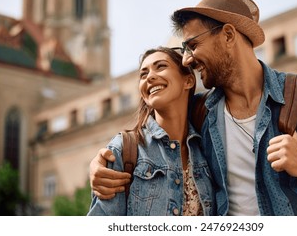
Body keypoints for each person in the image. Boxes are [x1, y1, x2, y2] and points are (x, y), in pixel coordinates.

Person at [89, 0, 297, 215]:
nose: (188, 59)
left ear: (228, 35)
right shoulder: (201, 112)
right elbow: (156, 135)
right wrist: (100, 164)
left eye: (193, 45)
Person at [87, 47, 216, 216]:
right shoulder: (123, 150)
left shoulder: (207, 145)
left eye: (160, 66)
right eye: (143, 74)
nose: (150, 76)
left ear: (189, 81)